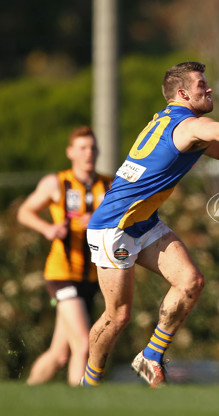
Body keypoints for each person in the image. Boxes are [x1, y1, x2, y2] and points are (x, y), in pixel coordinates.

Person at [81, 61, 219, 387]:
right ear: (184, 93)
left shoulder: (174, 120)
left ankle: (150, 356)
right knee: (118, 315)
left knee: (191, 281)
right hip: (113, 226)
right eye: (202, 84)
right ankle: (88, 384)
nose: (210, 88)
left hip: (142, 222)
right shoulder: (187, 124)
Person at [17, 126, 112, 386]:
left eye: (92, 147)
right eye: (82, 148)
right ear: (70, 152)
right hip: (62, 275)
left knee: (60, 354)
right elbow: (24, 212)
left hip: (93, 277)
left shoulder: (109, 184)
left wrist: (99, 221)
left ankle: (25, 393)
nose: (88, 153)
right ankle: (79, 405)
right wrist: (48, 228)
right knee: (83, 344)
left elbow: (126, 221)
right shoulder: (57, 183)